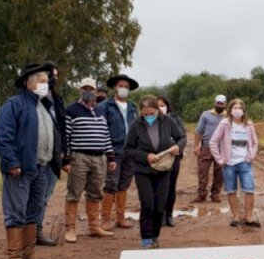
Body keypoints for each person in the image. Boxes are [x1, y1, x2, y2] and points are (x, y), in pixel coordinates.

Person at [0, 64, 61, 259]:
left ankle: (29, 252)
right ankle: (14, 257)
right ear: (28, 83)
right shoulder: (15, 104)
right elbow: (4, 136)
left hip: (41, 167)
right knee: (16, 211)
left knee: (34, 211)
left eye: (46, 81)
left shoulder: (43, 106)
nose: (46, 85)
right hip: (20, 169)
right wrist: (12, 162)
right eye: (41, 81)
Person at [123, 95, 186, 248]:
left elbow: (181, 137)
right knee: (148, 204)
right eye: (145, 114)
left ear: (157, 110)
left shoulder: (168, 121)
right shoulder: (136, 125)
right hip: (143, 171)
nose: (149, 116)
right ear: (141, 112)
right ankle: (146, 239)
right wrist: (145, 156)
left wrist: (179, 147)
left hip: (163, 170)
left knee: (159, 206)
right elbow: (128, 149)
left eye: (152, 113)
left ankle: (155, 237)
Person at [62, 78, 117, 243]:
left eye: (91, 89)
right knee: (74, 193)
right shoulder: (71, 110)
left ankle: (94, 227)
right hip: (79, 157)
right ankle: (70, 229)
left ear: (96, 91)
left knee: (96, 193)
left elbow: (106, 135)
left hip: (99, 157)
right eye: (85, 88)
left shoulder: (100, 111)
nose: (88, 91)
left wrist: (110, 156)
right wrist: (65, 160)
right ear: (80, 90)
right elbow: (67, 136)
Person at [209, 98, 260, 227]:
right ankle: (235, 217)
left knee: (249, 190)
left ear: (244, 110)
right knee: (231, 191)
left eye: (240, 108)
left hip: (245, 162)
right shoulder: (224, 124)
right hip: (229, 164)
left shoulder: (248, 124)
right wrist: (220, 160)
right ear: (230, 110)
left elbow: (254, 143)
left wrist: (250, 156)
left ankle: (249, 218)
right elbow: (213, 142)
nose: (238, 111)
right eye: (235, 108)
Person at [98, 74, 139, 230]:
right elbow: (101, 130)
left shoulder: (133, 107)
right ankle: (105, 218)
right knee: (110, 184)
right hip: (112, 151)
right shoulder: (105, 107)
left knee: (124, 184)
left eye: (126, 87)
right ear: (115, 87)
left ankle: (120, 217)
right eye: (121, 86)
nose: (124, 89)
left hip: (130, 151)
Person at [36, 63, 66, 247]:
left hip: (54, 154)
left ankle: (37, 230)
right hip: (37, 155)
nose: (52, 80)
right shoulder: (33, 99)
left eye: (55, 76)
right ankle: (29, 232)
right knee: (35, 196)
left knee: (45, 195)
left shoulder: (57, 99)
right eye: (49, 76)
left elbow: (62, 127)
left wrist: (64, 152)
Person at [158, 95, 186, 227]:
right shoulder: (151, 120)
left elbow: (183, 137)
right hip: (158, 159)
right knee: (160, 187)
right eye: (157, 105)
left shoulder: (176, 120)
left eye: (162, 105)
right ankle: (160, 215)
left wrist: (178, 147)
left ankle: (169, 215)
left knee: (171, 188)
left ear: (168, 106)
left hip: (173, 158)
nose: (160, 108)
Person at [193, 94, 227, 203]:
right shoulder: (206, 114)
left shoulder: (228, 117)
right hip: (206, 147)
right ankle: (201, 194)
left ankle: (215, 194)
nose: (219, 105)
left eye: (222, 103)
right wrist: (196, 146)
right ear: (215, 103)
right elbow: (199, 131)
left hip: (221, 149)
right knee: (202, 171)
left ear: (225, 104)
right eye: (218, 103)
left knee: (219, 173)